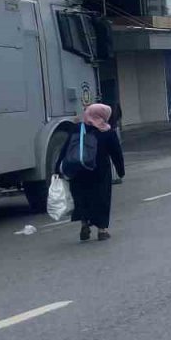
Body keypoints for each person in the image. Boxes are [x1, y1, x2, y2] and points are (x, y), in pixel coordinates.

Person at [55, 103, 125, 241]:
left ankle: (84, 224)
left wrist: (57, 168)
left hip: (79, 171)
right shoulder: (107, 132)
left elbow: (66, 149)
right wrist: (120, 170)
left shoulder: (77, 129)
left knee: (82, 198)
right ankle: (102, 230)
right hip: (100, 172)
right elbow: (116, 153)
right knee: (101, 199)